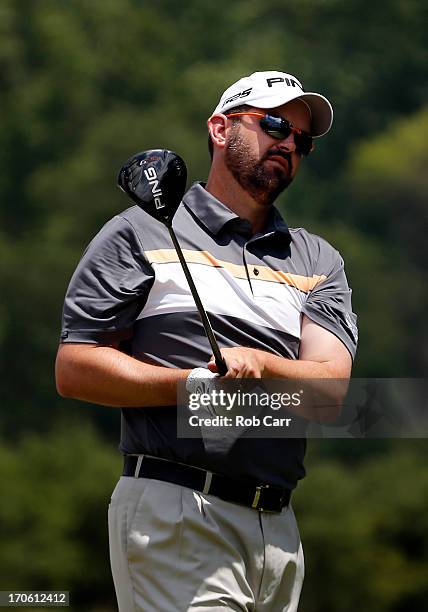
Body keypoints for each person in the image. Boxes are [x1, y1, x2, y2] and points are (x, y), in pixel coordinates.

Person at [55, 70, 358, 611]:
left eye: (301, 140)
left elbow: (331, 392)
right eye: (273, 125)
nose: (288, 143)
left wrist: (262, 366)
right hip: (176, 510)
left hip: (281, 530)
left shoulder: (318, 260)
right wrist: (191, 386)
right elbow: (75, 367)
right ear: (220, 129)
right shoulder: (139, 231)